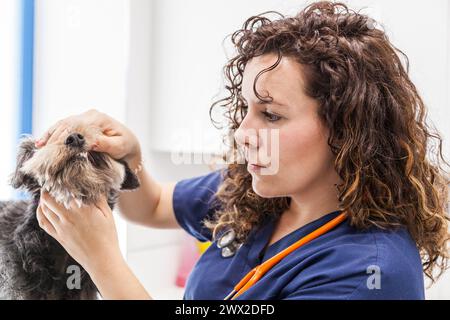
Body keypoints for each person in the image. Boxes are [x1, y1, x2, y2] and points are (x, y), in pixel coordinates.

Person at [35, 1, 449, 300]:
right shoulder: (257, 189)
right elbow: (154, 205)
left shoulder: (369, 274)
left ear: (347, 129)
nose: (243, 134)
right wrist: (131, 155)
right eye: (246, 109)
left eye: (270, 115)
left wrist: (102, 260)